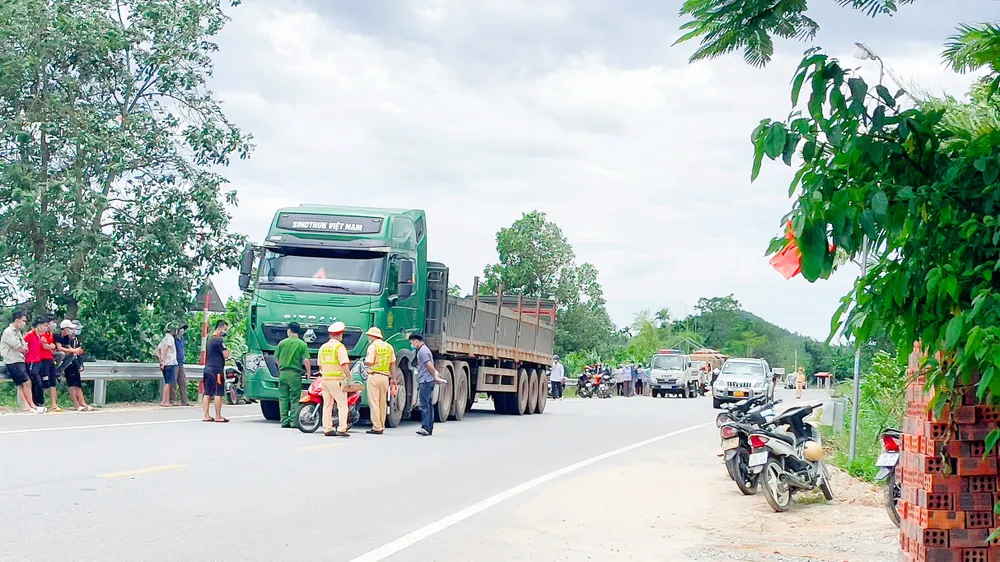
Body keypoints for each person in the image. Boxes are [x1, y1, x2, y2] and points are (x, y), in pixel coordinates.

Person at [2, 311, 44, 413]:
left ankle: (28, 406)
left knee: (22, 383)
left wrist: (21, 348)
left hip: (20, 359)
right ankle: (31, 405)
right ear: (17, 320)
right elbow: (19, 346)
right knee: (26, 382)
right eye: (23, 320)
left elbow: (24, 347)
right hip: (13, 361)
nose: (24, 323)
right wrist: (21, 348)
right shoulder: (8, 332)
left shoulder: (17, 332)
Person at [318, 322, 351, 437]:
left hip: (325, 380)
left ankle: (327, 428)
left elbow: (320, 365)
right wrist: (349, 377)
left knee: (327, 405)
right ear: (340, 335)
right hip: (337, 380)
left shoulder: (323, 347)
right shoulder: (339, 347)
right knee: (342, 405)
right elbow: (344, 364)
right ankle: (342, 428)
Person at [409, 332, 445, 436]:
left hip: (425, 380)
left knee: (424, 404)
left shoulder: (422, 352)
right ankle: (429, 427)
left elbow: (428, 365)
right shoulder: (425, 350)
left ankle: (425, 427)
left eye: (412, 342)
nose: (412, 344)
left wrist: (435, 375)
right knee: (428, 404)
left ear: (416, 341)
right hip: (428, 380)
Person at [276, 322, 311, 428]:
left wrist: (281, 367)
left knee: (283, 397)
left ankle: (284, 421)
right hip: (295, 374)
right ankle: (293, 421)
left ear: (289, 330)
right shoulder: (302, 344)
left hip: (283, 373)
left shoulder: (282, 343)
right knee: (295, 398)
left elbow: (277, 358)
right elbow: (306, 360)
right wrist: (308, 372)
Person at [363, 327, 396, 435]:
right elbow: (393, 364)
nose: (369, 338)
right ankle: (382, 424)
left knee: (374, 402)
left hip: (374, 376)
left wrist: (365, 361)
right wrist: (394, 379)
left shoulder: (373, 347)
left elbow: (369, 361)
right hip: (385, 377)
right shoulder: (389, 347)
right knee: (383, 402)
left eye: (369, 336)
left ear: (373, 336)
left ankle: (376, 427)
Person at [55, 319, 91, 411]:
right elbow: (64, 349)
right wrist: (74, 351)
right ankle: (76, 403)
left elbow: (76, 352)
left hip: (74, 361)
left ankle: (82, 402)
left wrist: (80, 363)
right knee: (72, 383)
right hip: (68, 362)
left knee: (78, 383)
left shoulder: (75, 339)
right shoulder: (62, 337)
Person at [202, 320, 230, 422]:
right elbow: (226, 355)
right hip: (217, 370)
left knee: (207, 392)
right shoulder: (219, 341)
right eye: (225, 329)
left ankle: (206, 415)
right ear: (219, 328)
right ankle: (218, 416)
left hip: (208, 369)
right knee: (219, 392)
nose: (225, 332)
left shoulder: (209, 339)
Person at [155, 324, 179, 407]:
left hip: (165, 363)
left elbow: (158, 350)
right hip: (169, 363)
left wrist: (160, 359)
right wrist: (163, 361)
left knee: (168, 382)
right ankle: (164, 401)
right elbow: (165, 349)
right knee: (168, 383)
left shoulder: (164, 338)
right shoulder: (170, 339)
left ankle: (166, 401)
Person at [171, 324, 190, 406]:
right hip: (175, 363)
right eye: (181, 329)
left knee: (182, 382)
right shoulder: (173, 340)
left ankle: (184, 401)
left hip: (181, 363)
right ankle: (172, 400)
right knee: (173, 383)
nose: (183, 331)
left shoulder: (182, 339)